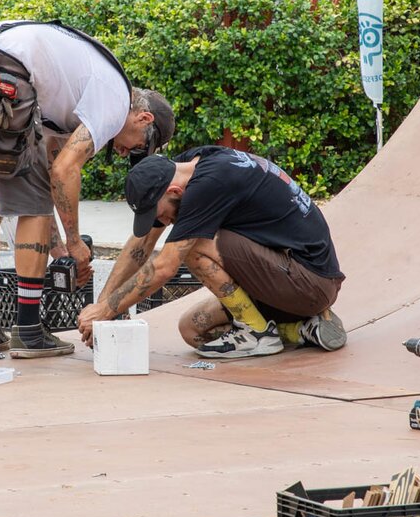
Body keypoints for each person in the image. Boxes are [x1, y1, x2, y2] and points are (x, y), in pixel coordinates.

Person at [0, 18, 175, 359]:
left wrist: (61, 253)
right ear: (144, 120)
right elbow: (63, 171)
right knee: (32, 209)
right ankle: (29, 331)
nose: (123, 153)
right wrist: (74, 244)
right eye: (136, 147)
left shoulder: (75, 94)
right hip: (1, 75)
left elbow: (45, 177)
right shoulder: (115, 99)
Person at [78, 146, 345, 361]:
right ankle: (301, 329)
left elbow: (164, 267)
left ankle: (256, 332)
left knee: (188, 245)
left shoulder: (211, 183)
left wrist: (104, 310)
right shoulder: (188, 165)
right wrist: (103, 308)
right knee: (192, 330)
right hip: (280, 278)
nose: (165, 222)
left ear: (174, 191)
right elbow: (142, 244)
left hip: (309, 282)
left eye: (161, 216)